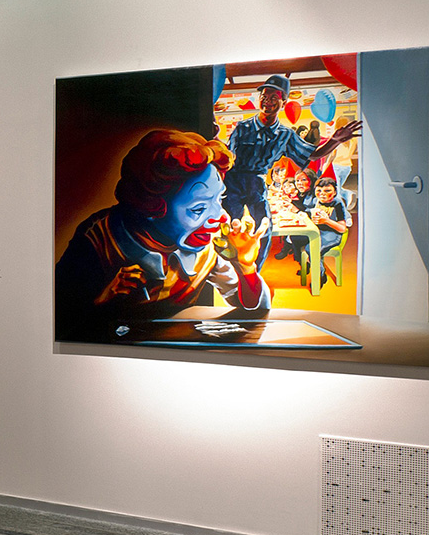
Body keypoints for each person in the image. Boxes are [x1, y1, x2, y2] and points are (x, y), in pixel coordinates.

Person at [55, 129, 270, 341]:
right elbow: (58, 324)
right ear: (151, 206)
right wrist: (103, 301)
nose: (221, 217)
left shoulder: (205, 246)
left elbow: (253, 308)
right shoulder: (99, 240)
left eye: (219, 199)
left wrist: (246, 267)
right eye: (198, 208)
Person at [222, 75, 360, 222]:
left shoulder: (285, 135)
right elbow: (226, 156)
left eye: (274, 98)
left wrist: (334, 140)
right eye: (264, 97)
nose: (267, 101)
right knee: (230, 223)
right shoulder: (243, 127)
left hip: (257, 182)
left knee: (264, 225)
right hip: (233, 181)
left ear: (284, 102)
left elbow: (313, 155)